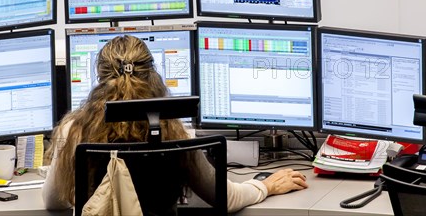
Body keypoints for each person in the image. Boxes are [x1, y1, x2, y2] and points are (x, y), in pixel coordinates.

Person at [42, 35, 308, 213]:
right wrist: (266, 185)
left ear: (99, 76)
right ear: (152, 74)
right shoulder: (172, 131)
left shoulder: (74, 130)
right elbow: (227, 199)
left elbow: (53, 202)